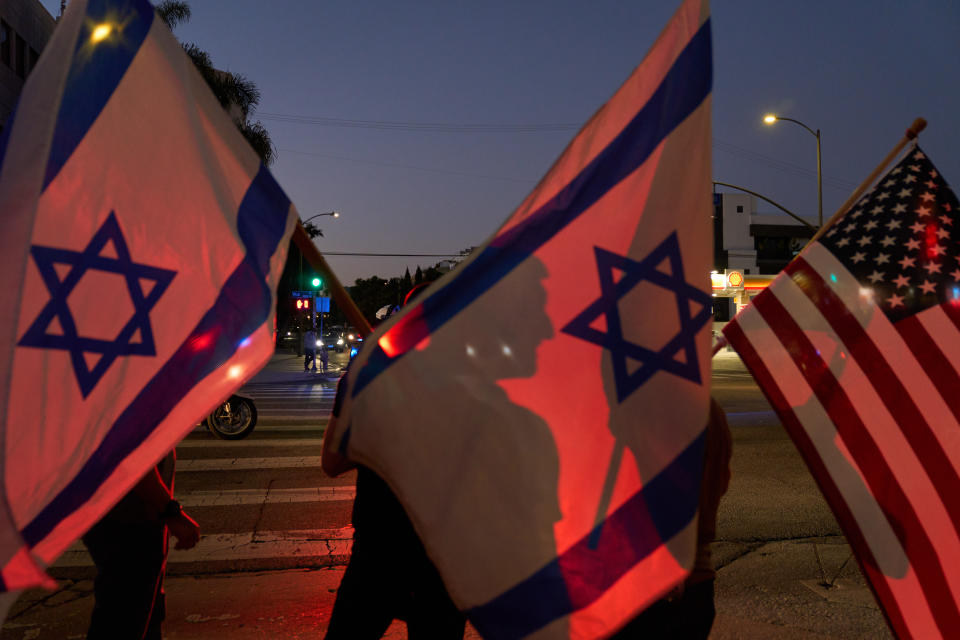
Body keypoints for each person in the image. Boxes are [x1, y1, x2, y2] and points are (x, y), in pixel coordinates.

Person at [610, 397, 733, 639]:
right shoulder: (709, 409)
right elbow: (721, 480)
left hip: (653, 586)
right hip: (696, 582)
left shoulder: (648, 409)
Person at [82, 450, 200, 640]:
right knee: (124, 620)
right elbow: (131, 460)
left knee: (145, 614)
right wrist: (170, 511)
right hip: (128, 525)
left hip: (129, 521)